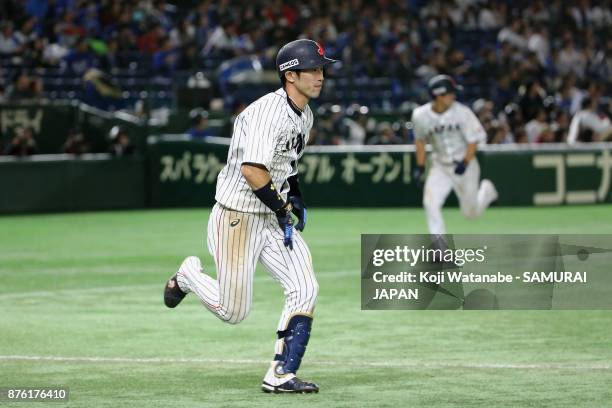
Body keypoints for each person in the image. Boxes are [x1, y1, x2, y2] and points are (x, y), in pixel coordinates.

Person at [163, 39, 337, 394]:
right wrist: (283, 208)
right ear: (291, 75)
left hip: (271, 216)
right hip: (237, 217)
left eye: (321, 69)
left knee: (305, 288)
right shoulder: (265, 113)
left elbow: (283, 165)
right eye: (313, 69)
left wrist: (295, 197)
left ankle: (280, 374)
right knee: (232, 311)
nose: (321, 76)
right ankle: (189, 275)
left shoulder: (304, 113)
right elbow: (253, 170)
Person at [411, 75, 498, 235]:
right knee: (430, 203)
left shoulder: (462, 112)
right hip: (440, 166)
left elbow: (474, 141)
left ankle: (486, 192)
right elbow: (420, 141)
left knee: (470, 214)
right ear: (438, 95)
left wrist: (464, 162)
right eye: (450, 93)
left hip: (466, 164)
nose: (454, 96)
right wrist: (420, 166)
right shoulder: (420, 115)